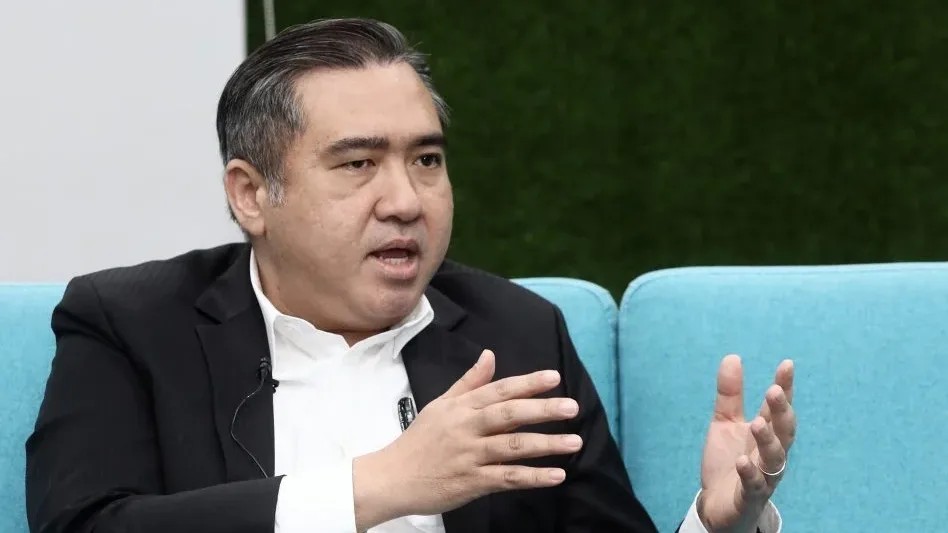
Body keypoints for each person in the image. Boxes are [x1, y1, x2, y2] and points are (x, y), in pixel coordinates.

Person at [25, 17, 795, 533]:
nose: (405, 200)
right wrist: (383, 484)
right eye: (358, 164)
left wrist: (716, 523)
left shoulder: (516, 334)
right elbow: (87, 523)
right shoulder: (131, 325)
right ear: (251, 194)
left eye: (426, 159)